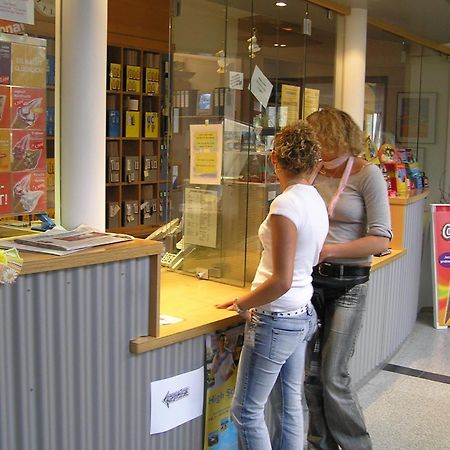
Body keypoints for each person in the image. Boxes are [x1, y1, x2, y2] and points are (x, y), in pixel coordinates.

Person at [217, 121, 329, 450]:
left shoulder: (285, 204)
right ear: (315, 164)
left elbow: (279, 280)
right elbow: (315, 255)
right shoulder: (315, 200)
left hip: (277, 318)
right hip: (302, 312)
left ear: (273, 159)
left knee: (247, 411)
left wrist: (243, 302)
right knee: (289, 405)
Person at [304, 107, 392, 450]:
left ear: (337, 139)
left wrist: (329, 251)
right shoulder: (313, 173)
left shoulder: (367, 176)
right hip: (311, 281)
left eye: (321, 142)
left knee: (333, 376)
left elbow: (381, 239)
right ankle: (319, 444)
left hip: (349, 283)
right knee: (310, 376)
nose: (318, 152)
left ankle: (357, 446)